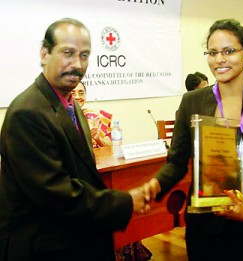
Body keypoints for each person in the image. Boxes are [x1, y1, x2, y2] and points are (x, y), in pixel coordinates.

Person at [143, 19, 243, 261]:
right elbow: (176, 162)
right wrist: (154, 185)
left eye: (229, 51)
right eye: (213, 52)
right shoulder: (192, 102)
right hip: (204, 228)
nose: (219, 59)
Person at [0, 18, 149, 261]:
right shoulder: (27, 112)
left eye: (85, 55)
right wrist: (124, 202)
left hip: (75, 240)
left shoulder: (71, 105)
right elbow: (55, 193)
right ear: (45, 54)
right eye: (67, 53)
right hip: (44, 249)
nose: (77, 64)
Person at [72, 82, 152, 260]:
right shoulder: (61, 117)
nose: (78, 96)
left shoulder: (96, 117)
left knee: (122, 192)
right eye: (73, 92)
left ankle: (127, 249)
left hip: (104, 170)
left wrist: (97, 136)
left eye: (81, 92)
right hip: (80, 177)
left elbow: (112, 146)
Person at [72, 82, 112, 147]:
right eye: (72, 93)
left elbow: (110, 145)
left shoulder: (96, 117)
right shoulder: (59, 118)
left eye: (81, 93)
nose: (77, 97)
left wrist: (98, 139)